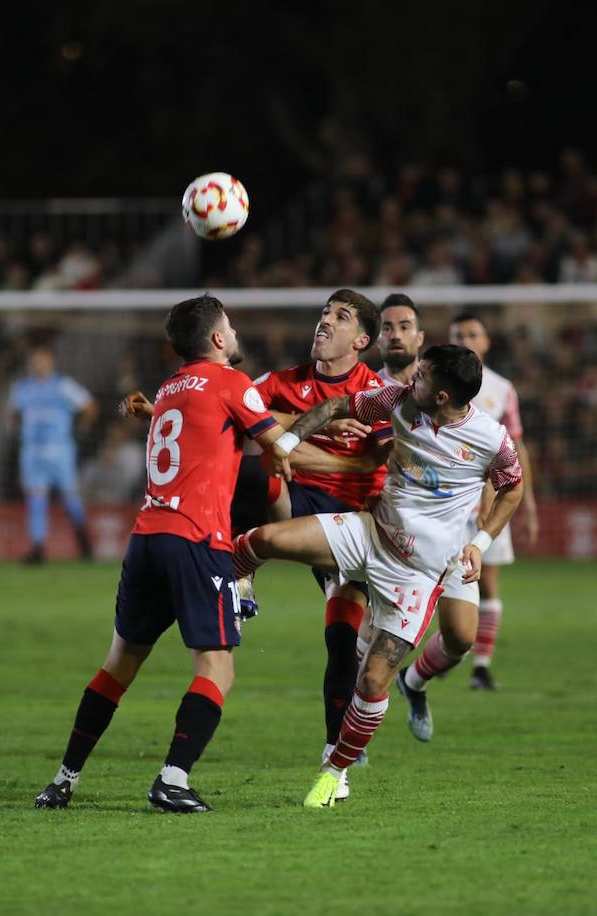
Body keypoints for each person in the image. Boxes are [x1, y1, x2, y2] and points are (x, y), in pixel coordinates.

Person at [121, 290, 393, 798]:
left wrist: (302, 447)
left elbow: (375, 464)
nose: (324, 322)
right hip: (294, 504)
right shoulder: (282, 382)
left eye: (340, 317)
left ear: (361, 340)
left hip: (351, 526)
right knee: (253, 471)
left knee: (341, 639)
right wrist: (157, 407)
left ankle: (337, 765)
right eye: (323, 313)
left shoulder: (374, 392)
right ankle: (241, 576)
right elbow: (220, 406)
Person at [231, 345, 524, 807]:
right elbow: (334, 406)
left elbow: (513, 488)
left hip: (418, 574)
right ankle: (236, 592)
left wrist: (480, 543)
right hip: (371, 532)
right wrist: (286, 443)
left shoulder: (491, 439)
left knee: (371, 683)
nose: (413, 380)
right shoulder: (399, 401)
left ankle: (336, 771)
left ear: (444, 395)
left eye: (423, 376)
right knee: (264, 539)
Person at [33, 295, 293, 813]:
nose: (235, 333)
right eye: (231, 326)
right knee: (217, 667)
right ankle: (172, 779)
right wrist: (316, 434)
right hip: (197, 539)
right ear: (218, 339)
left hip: (147, 537)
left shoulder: (171, 390)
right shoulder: (232, 384)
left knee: (119, 664)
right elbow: (278, 446)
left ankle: (63, 780)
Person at [443, 312, 539, 692]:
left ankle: (481, 665)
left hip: (492, 504)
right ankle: (448, 650)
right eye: (458, 334)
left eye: (472, 334)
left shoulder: (501, 389)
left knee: (489, 585)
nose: (465, 339)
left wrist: (527, 503)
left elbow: (515, 447)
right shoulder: (433, 383)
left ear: (486, 343)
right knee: (440, 582)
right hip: (447, 504)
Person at [9, 346, 98, 564]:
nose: (37, 364)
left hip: (60, 451)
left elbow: (90, 406)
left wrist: (79, 432)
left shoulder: (62, 385)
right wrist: (20, 433)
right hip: (32, 452)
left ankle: (83, 539)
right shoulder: (22, 388)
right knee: (36, 499)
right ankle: (38, 548)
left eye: (41, 360)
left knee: (70, 498)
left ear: (50, 362)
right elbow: (14, 413)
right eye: (34, 361)